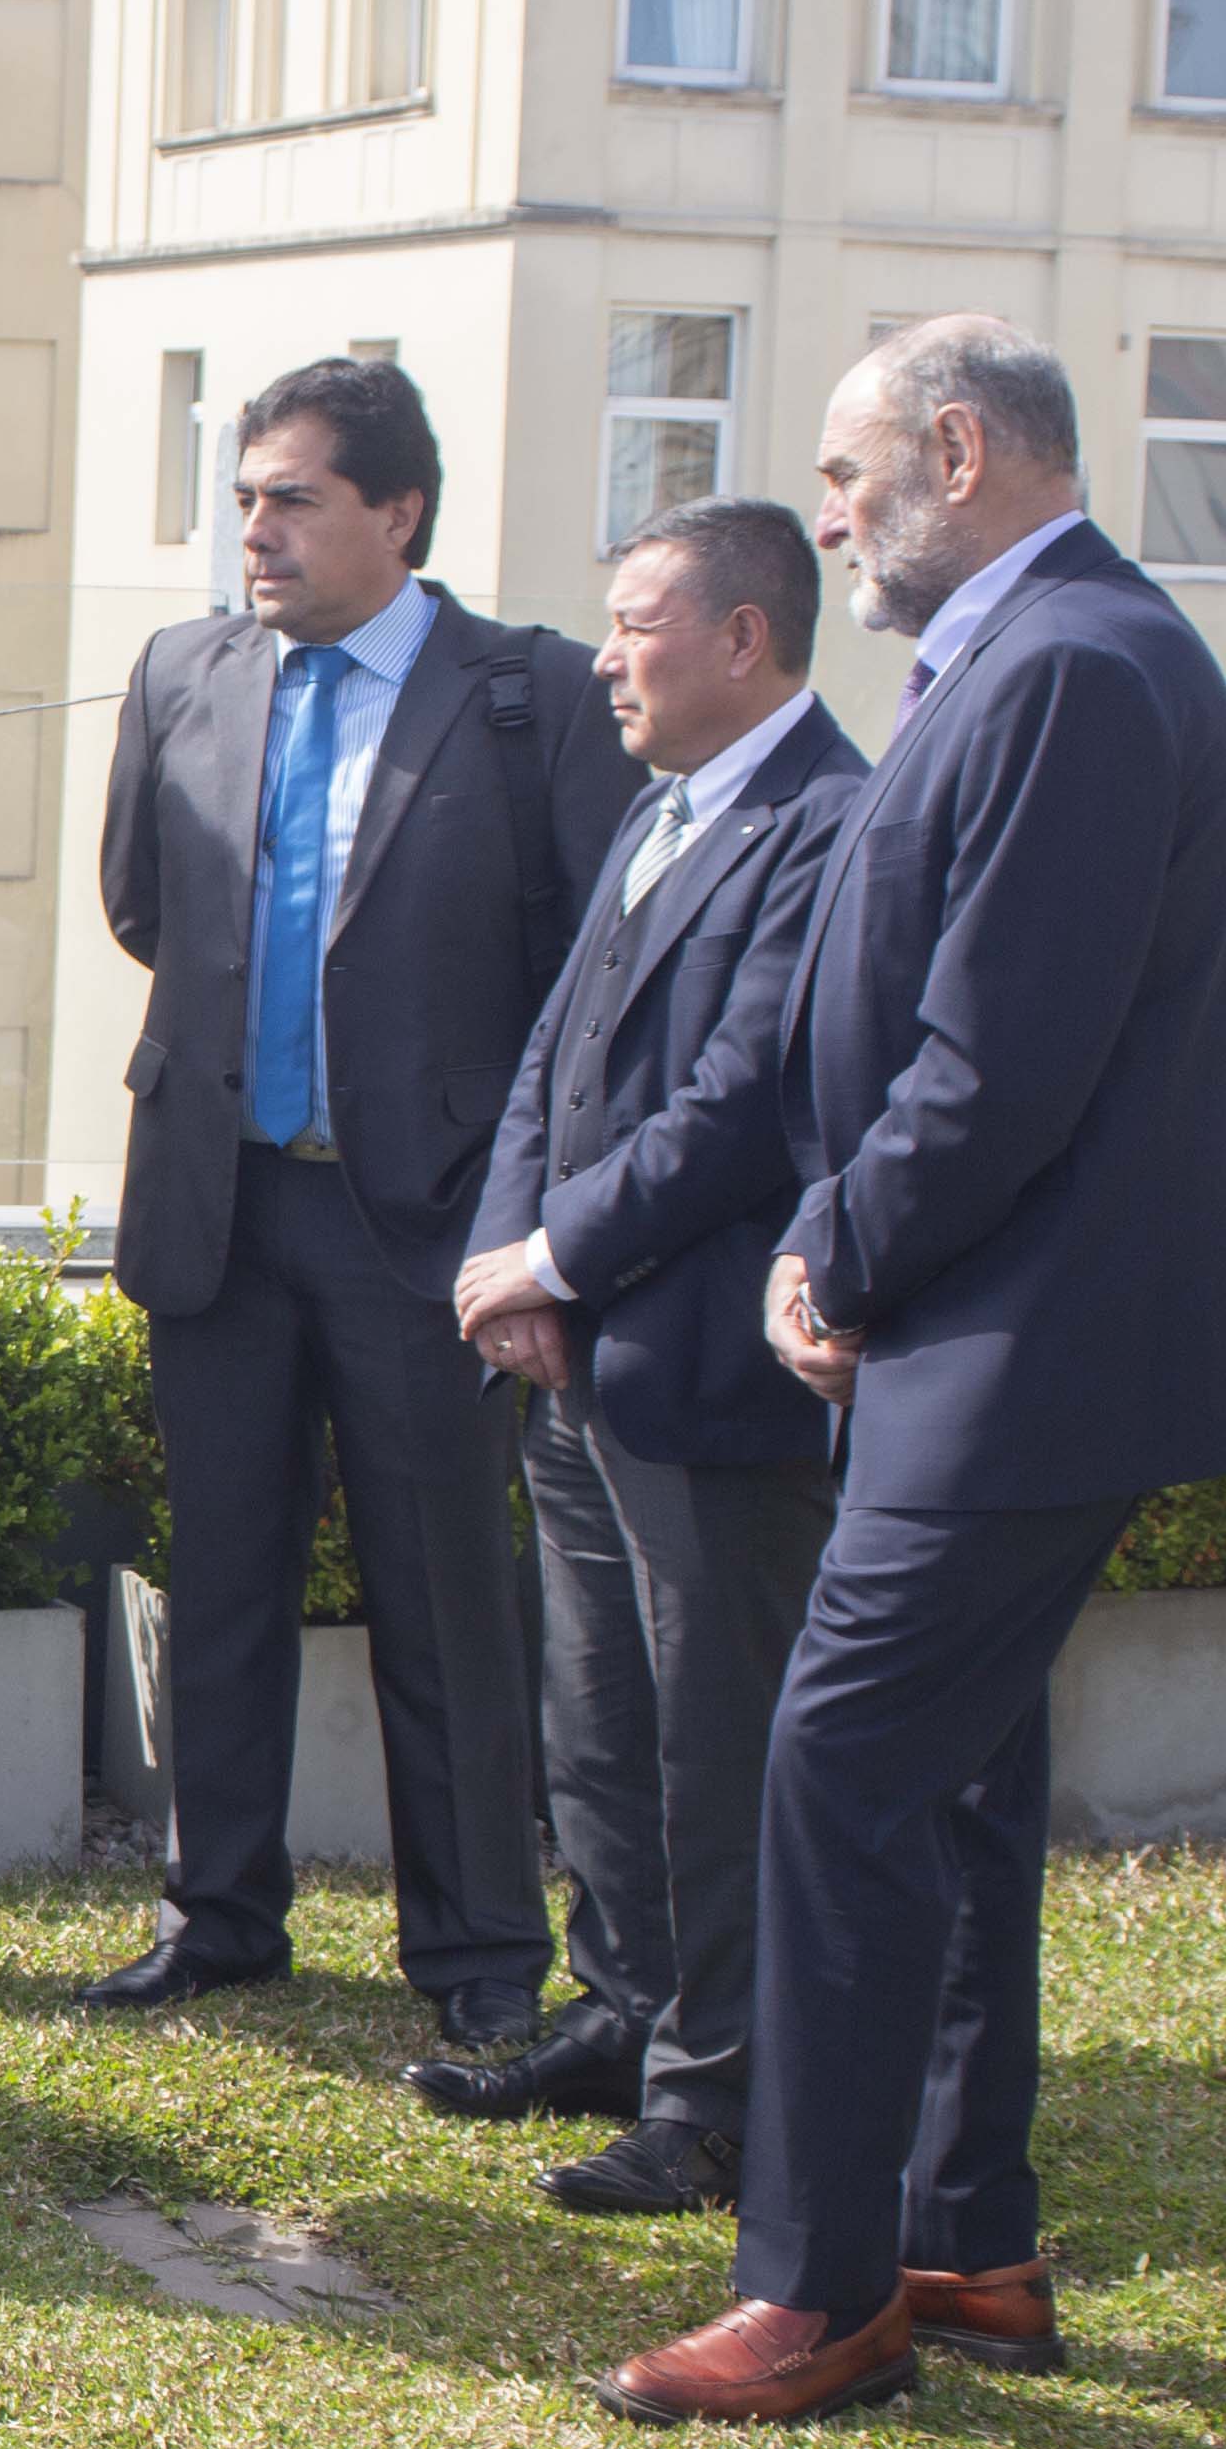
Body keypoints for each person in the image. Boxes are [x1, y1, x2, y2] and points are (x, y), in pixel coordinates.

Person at [599, 319, 1226, 2426]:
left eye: (846, 479)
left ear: (954, 450)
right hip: (987, 1330)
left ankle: (820, 2292)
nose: (829, 522)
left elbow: (1002, 1056)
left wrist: (834, 1249)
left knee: (839, 1768)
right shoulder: (1028, 656)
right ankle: (963, 2243)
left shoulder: (1075, 667)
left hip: (1025, 1340)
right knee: (951, 1783)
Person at [81, 358, 638, 2049]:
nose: (253, 530)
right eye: (244, 497)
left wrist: (523, 1210)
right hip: (220, 1205)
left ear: (397, 514)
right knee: (220, 1580)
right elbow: (140, 904)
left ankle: (475, 1953)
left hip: (427, 1228)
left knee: (443, 1599)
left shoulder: (528, 694)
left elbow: (593, 975)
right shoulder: (181, 673)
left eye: (292, 499)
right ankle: (216, 1915)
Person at [426, 499, 866, 2214]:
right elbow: (554, 1052)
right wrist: (510, 1262)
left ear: (742, 639)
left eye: (636, 625)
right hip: (575, 1363)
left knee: (711, 1742)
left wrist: (555, 1253)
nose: (603, 659)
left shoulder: (828, 823)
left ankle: (719, 2094)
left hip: (707, 1378)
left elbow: (744, 1100)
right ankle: (621, 2011)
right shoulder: (658, 806)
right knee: (597, 1720)